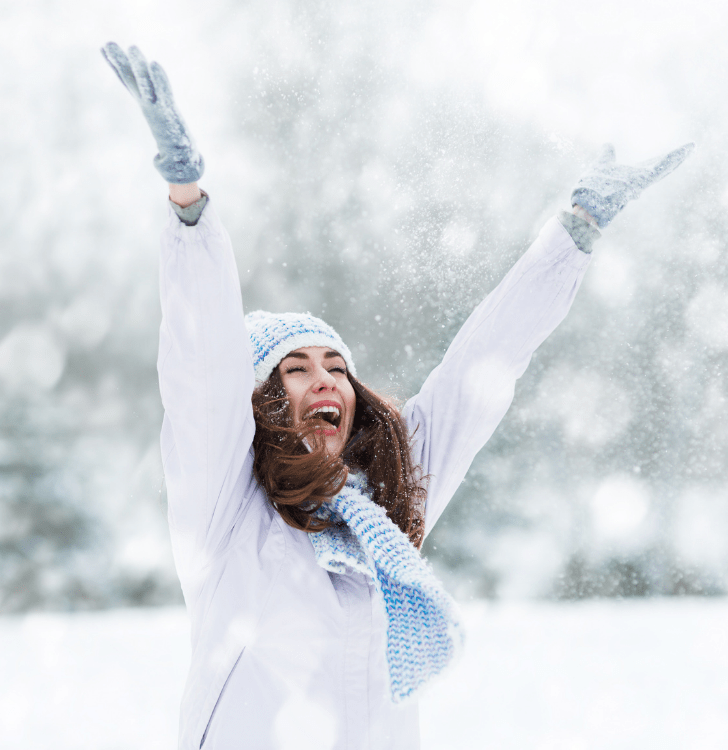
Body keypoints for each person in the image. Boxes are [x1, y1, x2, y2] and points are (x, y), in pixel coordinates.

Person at [100, 42, 693, 750]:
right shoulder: (225, 513)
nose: (324, 379)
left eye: (335, 367)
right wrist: (189, 209)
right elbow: (200, 374)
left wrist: (574, 234)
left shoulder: (390, 509)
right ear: (259, 403)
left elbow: (482, 368)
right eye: (295, 369)